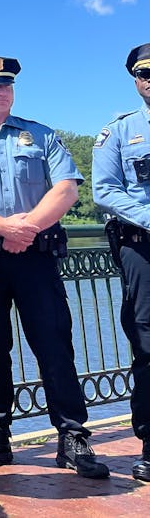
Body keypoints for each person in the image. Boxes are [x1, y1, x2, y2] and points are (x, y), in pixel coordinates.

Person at [0, 57, 108, 478]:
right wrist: (1, 227)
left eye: (7, 85)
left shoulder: (41, 135)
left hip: (36, 253)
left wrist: (27, 228)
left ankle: (72, 437)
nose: (1, 91)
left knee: (54, 345)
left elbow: (67, 189)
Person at [93, 42, 150, 481]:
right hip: (142, 247)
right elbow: (105, 190)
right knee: (148, 345)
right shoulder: (118, 133)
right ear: (136, 81)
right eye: (145, 74)